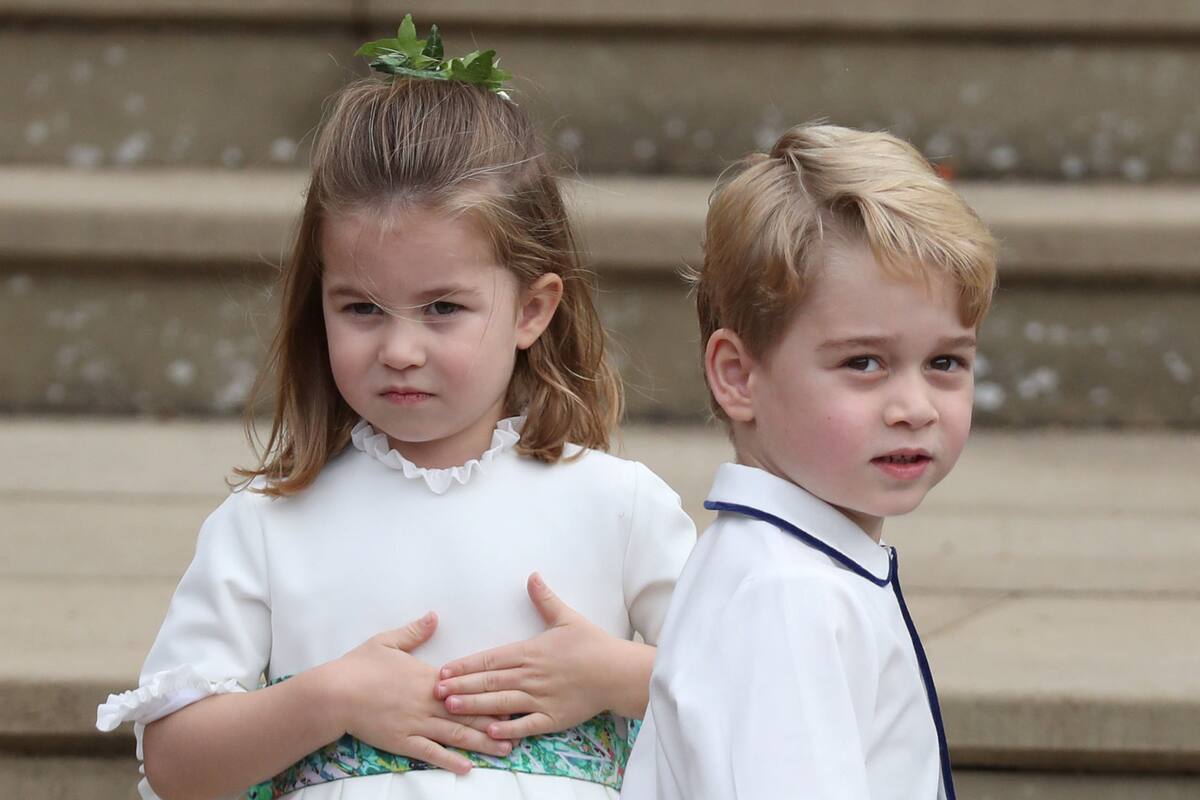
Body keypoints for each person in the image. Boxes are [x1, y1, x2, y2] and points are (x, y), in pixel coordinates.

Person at [96, 20, 695, 800]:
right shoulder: (269, 525)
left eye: (443, 307)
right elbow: (176, 766)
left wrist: (619, 675)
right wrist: (329, 698)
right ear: (318, 304)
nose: (400, 349)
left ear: (533, 310)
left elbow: (750, 688)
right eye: (362, 309)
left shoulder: (618, 506)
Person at [621, 123, 998, 800]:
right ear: (738, 376)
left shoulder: (790, 563)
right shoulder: (789, 594)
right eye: (864, 363)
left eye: (945, 361)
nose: (914, 406)